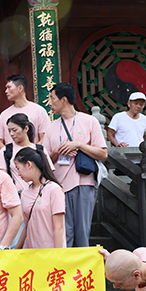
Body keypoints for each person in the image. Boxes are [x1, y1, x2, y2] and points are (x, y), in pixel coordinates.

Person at [42, 82, 108, 248]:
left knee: (82, 233)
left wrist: (78, 145)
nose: (50, 103)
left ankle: (82, 264)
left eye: (52, 98)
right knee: (64, 233)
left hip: (83, 182)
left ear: (64, 100)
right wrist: (57, 151)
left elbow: (103, 154)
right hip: (59, 186)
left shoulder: (89, 121)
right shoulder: (51, 128)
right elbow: (45, 161)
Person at [13, 147, 65, 249]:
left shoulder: (54, 189)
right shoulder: (25, 193)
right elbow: (27, 227)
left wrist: (58, 255)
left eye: (18, 168)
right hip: (31, 252)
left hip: (49, 252)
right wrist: (15, 251)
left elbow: (59, 228)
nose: (18, 174)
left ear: (29, 164)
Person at [0, 113, 53, 193]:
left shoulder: (39, 149)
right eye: (9, 131)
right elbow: (2, 177)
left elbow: (48, 174)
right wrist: (19, 192)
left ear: (26, 128)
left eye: (14, 130)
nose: (11, 134)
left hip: (39, 195)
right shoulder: (6, 151)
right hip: (16, 195)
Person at [0, 74, 51, 152]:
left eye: (9, 87)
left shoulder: (39, 111)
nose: (6, 91)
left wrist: (32, 153)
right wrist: (8, 154)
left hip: (33, 156)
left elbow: (45, 137)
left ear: (20, 88)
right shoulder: (4, 114)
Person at [107, 92, 146, 162]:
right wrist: (117, 145)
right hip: (122, 158)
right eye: (135, 103)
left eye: (141, 104)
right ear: (129, 103)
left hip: (140, 157)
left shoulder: (144, 119)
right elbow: (109, 134)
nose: (138, 106)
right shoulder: (118, 117)